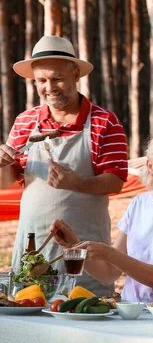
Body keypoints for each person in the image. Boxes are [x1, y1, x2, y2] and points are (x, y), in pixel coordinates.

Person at [0, 36, 128, 295]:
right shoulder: (26, 121)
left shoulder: (105, 122)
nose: (50, 87)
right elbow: (7, 181)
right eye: (42, 80)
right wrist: (2, 163)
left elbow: (115, 181)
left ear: (76, 73)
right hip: (32, 250)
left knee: (82, 321)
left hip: (84, 254)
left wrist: (76, 183)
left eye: (57, 78)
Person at [50, 130, 153, 303]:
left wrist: (109, 253)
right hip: (131, 311)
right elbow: (108, 273)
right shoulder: (139, 203)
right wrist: (75, 245)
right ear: (150, 166)